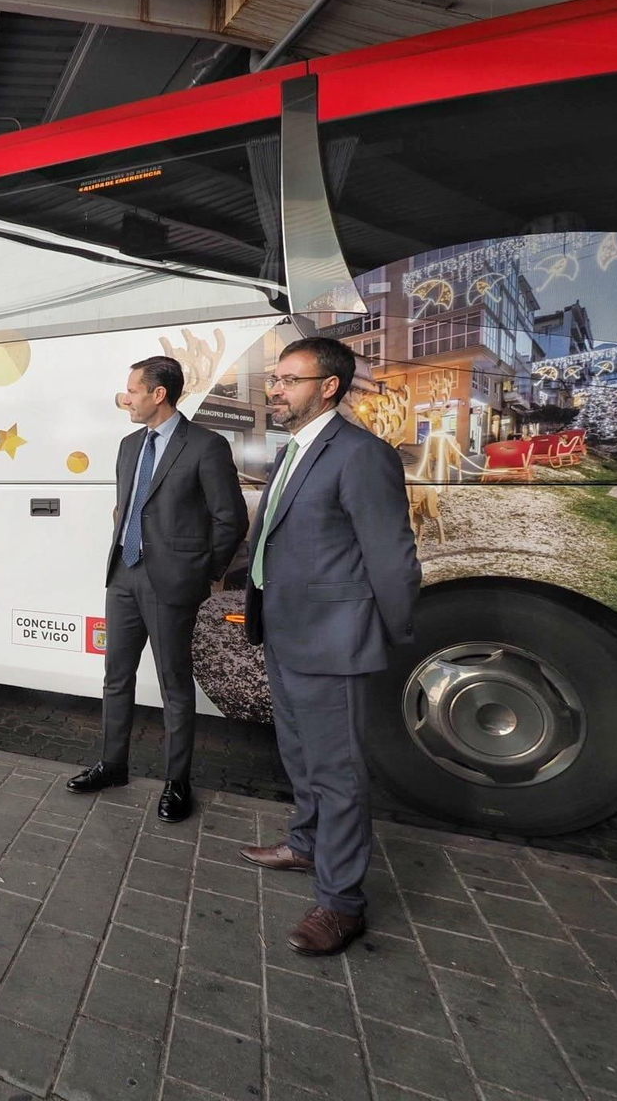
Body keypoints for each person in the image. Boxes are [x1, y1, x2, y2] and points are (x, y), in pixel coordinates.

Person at [241, 337, 420, 956]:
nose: (275, 388)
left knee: (338, 773)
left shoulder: (361, 455)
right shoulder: (292, 452)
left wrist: (388, 635)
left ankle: (341, 904)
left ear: (329, 387)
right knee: (299, 754)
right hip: (286, 633)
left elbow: (392, 558)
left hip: (333, 641)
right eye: (275, 377)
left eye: (290, 379)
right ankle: (306, 844)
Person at [67, 355, 247, 822]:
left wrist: (203, 572)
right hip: (124, 575)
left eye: (133, 390)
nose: (126, 398)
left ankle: (177, 781)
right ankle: (113, 765)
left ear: (158, 394)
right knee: (116, 677)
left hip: (173, 582)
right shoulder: (129, 445)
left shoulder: (205, 446)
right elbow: (126, 508)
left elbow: (231, 519)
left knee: (174, 684)